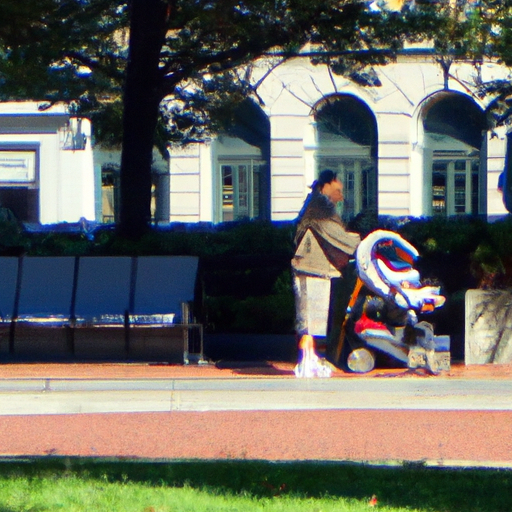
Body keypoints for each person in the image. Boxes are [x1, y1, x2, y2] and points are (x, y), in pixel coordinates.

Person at [291, 169, 361, 350]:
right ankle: (308, 362)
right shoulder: (319, 207)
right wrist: (360, 242)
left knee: (314, 324)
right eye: (338, 188)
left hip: (317, 269)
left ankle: (313, 361)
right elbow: (335, 234)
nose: (341, 194)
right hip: (311, 269)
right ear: (327, 184)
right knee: (310, 324)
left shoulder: (318, 204)